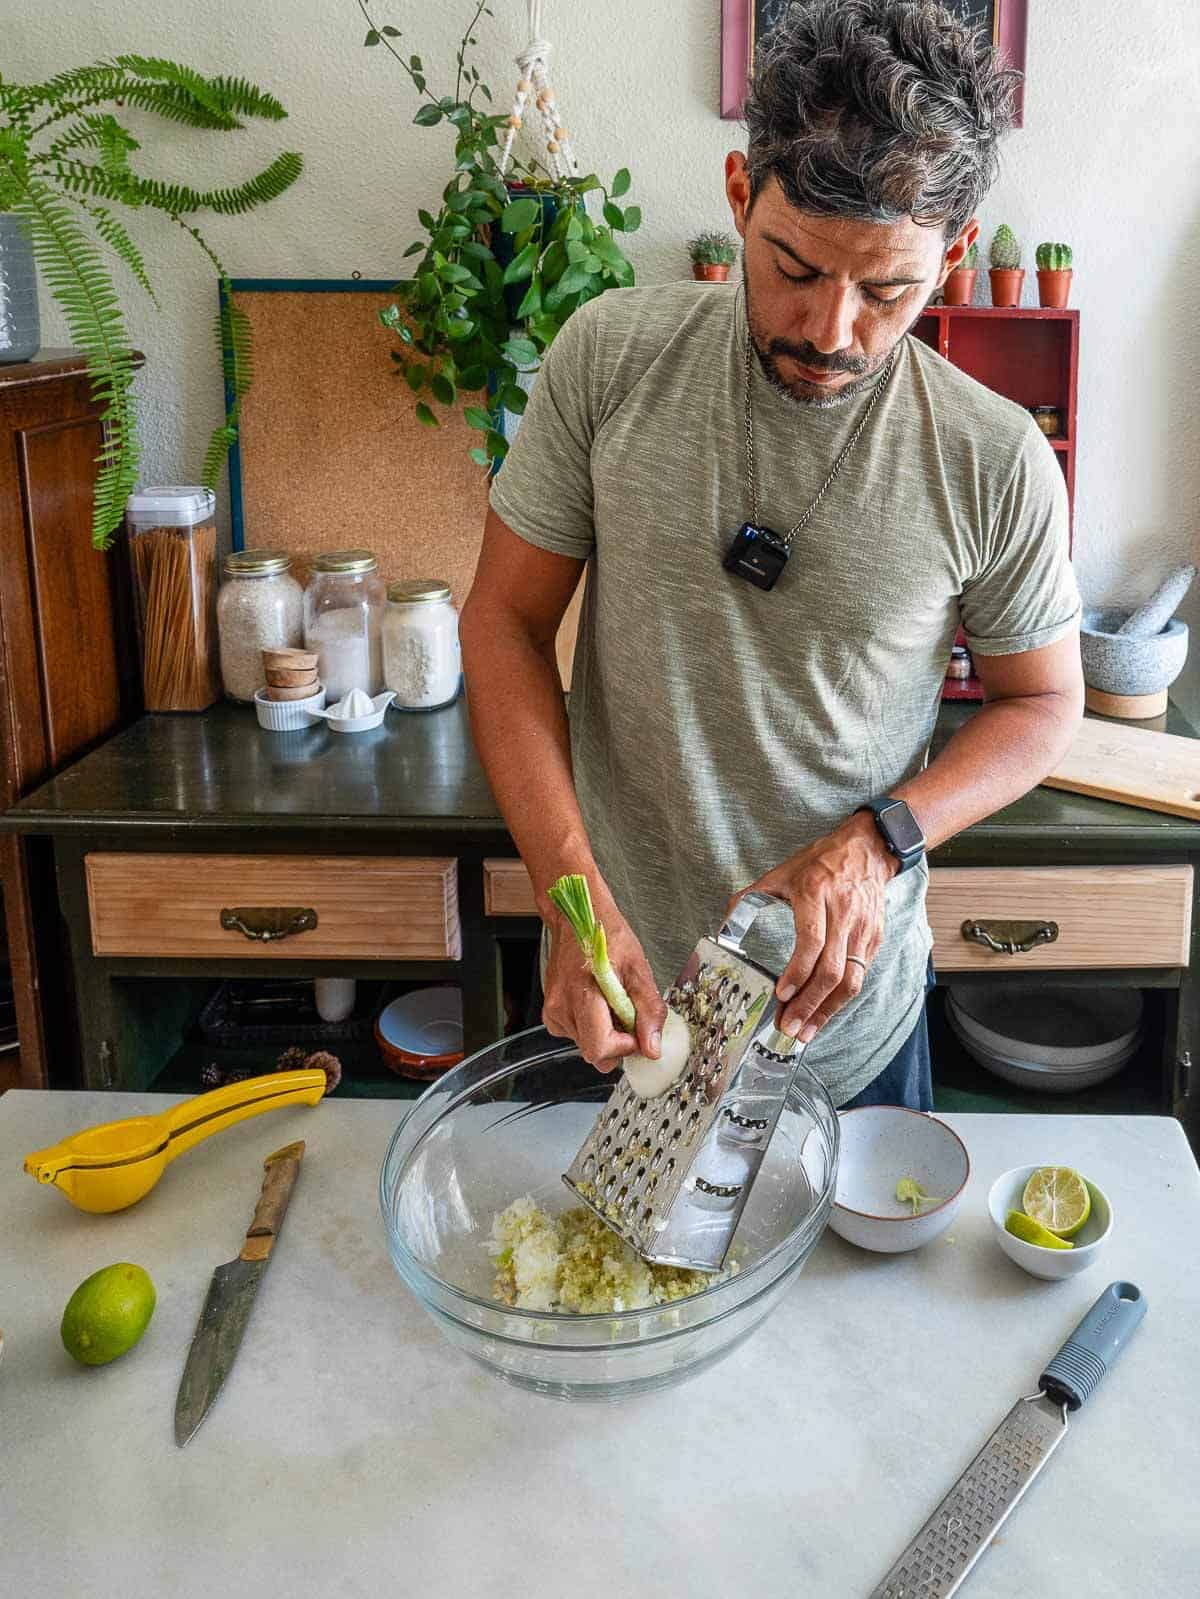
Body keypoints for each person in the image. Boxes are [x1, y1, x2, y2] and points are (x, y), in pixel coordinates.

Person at [459, 0, 1083, 1111]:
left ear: (958, 249)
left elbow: (1043, 706)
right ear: (741, 195)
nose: (832, 331)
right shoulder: (608, 360)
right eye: (793, 266)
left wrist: (880, 840)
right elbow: (502, 622)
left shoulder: (995, 459)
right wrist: (568, 894)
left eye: (887, 289)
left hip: (842, 1031)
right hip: (619, 996)